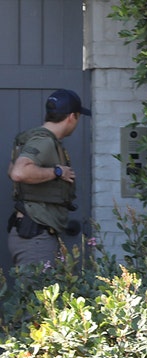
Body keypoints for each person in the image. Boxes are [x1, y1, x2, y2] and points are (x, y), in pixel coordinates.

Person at [6, 89, 91, 266]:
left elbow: (11, 170)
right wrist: (57, 172)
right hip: (36, 237)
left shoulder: (35, 138)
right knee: (38, 293)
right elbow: (18, 173)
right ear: (71, 117)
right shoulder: (43, 141)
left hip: (36, 233)